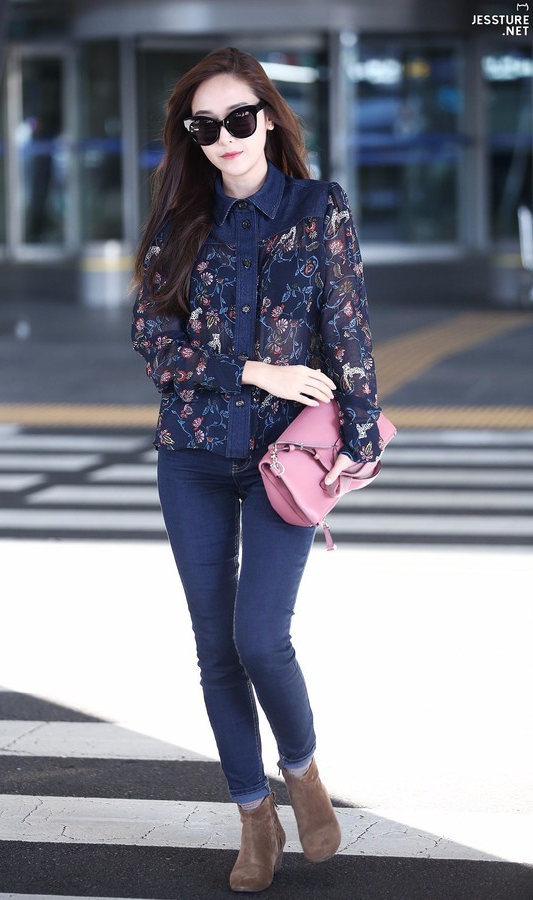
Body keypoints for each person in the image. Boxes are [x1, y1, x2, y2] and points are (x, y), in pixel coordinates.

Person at [131, 46, 381, 893]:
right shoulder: (177, 221)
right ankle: (253, 817)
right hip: (193, 457)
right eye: (206, 126)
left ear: (268, 119)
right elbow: (154, 344)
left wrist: (360, 434)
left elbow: (348, 325)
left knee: (260, 637)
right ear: (192, 136)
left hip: (286, 460)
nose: (226, 137)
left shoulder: (318, 208)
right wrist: (255, 371)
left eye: (240, 118)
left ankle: (301, 770)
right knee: (214, 648)